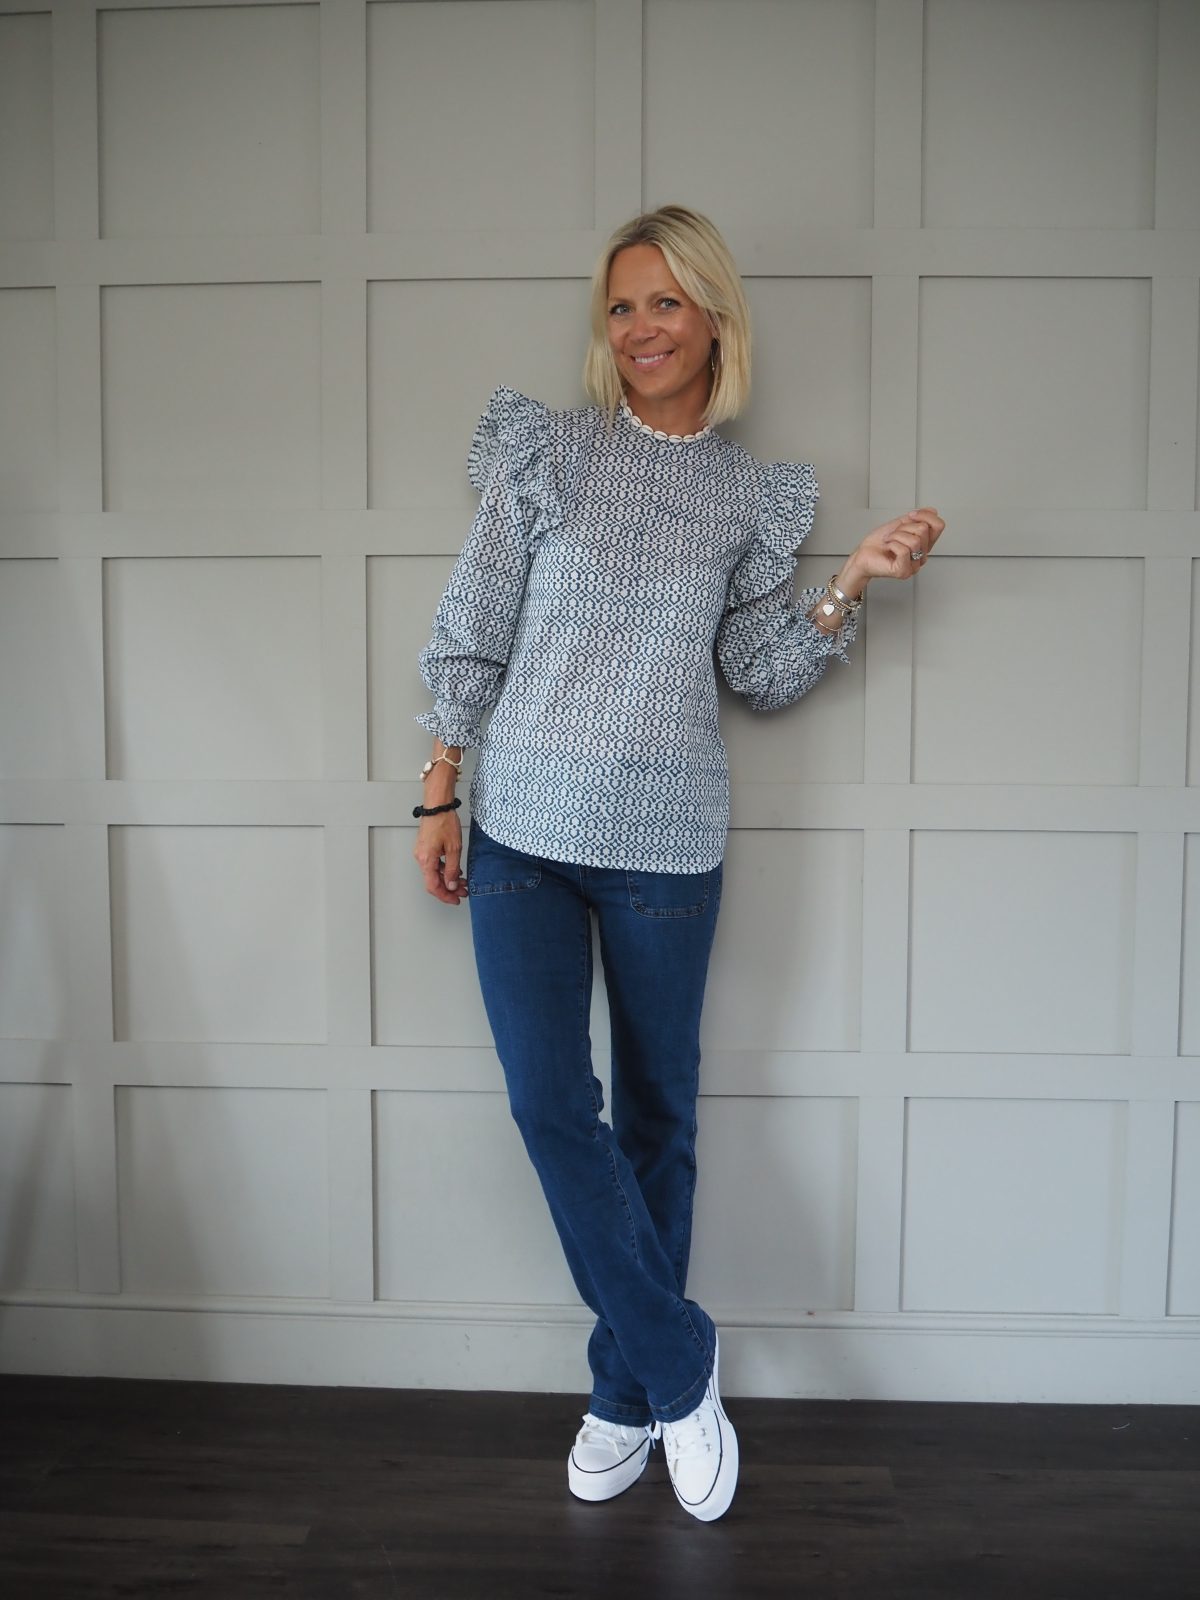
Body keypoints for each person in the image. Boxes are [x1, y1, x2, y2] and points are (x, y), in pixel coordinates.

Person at [413, 204, 944, 1523]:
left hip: (667, 846)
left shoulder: (749, 497)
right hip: (522, 833)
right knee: (552, 1107)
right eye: (621, 306)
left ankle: (623, 1397)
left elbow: (760, 673)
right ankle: (683, 1362)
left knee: (659, 1117)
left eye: (664, 302)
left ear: (713, 316)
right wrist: (437, 790)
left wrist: (850, 580)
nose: (640, 328)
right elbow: (474, 624)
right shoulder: (547, 451)